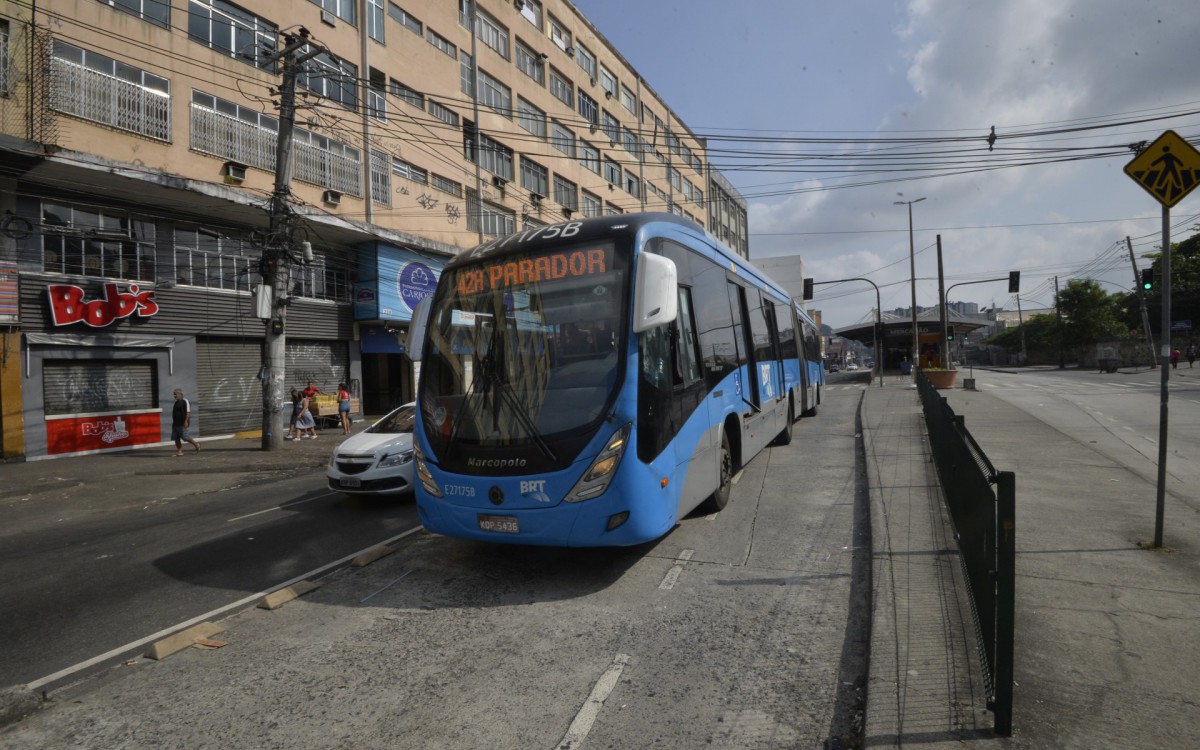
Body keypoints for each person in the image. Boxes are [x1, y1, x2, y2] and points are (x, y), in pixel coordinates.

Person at [171, 389, 201, 456]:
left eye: (175, 394)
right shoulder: (176, 402)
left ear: (180, 394)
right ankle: (180, 452)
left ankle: (196, 444)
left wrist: (186, 421)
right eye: (174, 394)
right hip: (175, 424)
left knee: (185, 437)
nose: (174, 396)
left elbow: (188, 412)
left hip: (182, 423)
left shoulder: (185, 401)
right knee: (176, 438)